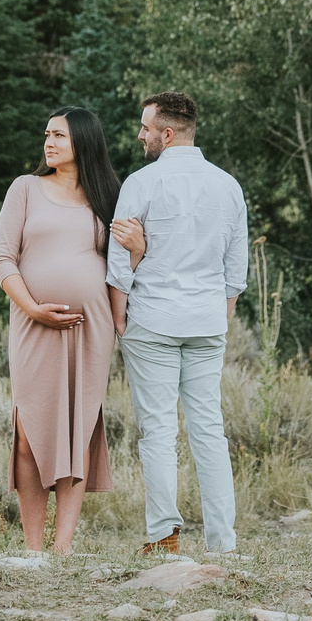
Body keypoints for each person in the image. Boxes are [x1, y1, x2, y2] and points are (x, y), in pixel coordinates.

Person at [105, 90, 248, 556]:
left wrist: (120, 318)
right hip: (206, 320)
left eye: (146, 128)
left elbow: (118, 262)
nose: (140, 134)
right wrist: (221, 310)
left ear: (167, 133)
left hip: (153, 321)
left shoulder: (141, 183)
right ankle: (222, 542)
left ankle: (164, 536)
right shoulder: (227, 184)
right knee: (209, 428)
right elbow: (236, 265)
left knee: (159, 431)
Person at [0, 107, 122, 556]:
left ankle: (62, 546)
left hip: (91, 329)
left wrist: (138, 249)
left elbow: (122, 268)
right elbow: (2, 259)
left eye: (59, 136)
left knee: (78, 429)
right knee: (29, 430)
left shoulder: (108, 197)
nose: (49, 142)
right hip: (33, 325)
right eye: (47, 134)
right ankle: (33, 548)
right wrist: (33, 309)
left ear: (83, 141)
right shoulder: (25, 188)